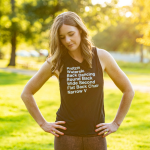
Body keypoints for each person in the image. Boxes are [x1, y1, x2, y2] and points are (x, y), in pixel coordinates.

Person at [21, 11, 135, 150]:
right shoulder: (56, 62)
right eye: (62, 37)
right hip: (66, 136)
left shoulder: (101, 56)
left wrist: (116, 123)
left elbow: (128, 90)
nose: (67, 40)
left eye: (71, 34)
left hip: (96, 135)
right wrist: (43, 124)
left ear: (80, 30)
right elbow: (27, 93)